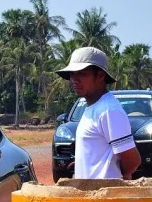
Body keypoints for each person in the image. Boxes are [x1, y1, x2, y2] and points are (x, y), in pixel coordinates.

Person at [55, 46, 140, 180]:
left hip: (105, 197)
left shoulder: (108, 110)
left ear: (100, 75)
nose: (74, 80)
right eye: (72, 74)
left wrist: (110, 177)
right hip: (93, 196)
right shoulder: (93, 106)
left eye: (82, 74)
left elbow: (132, 161)